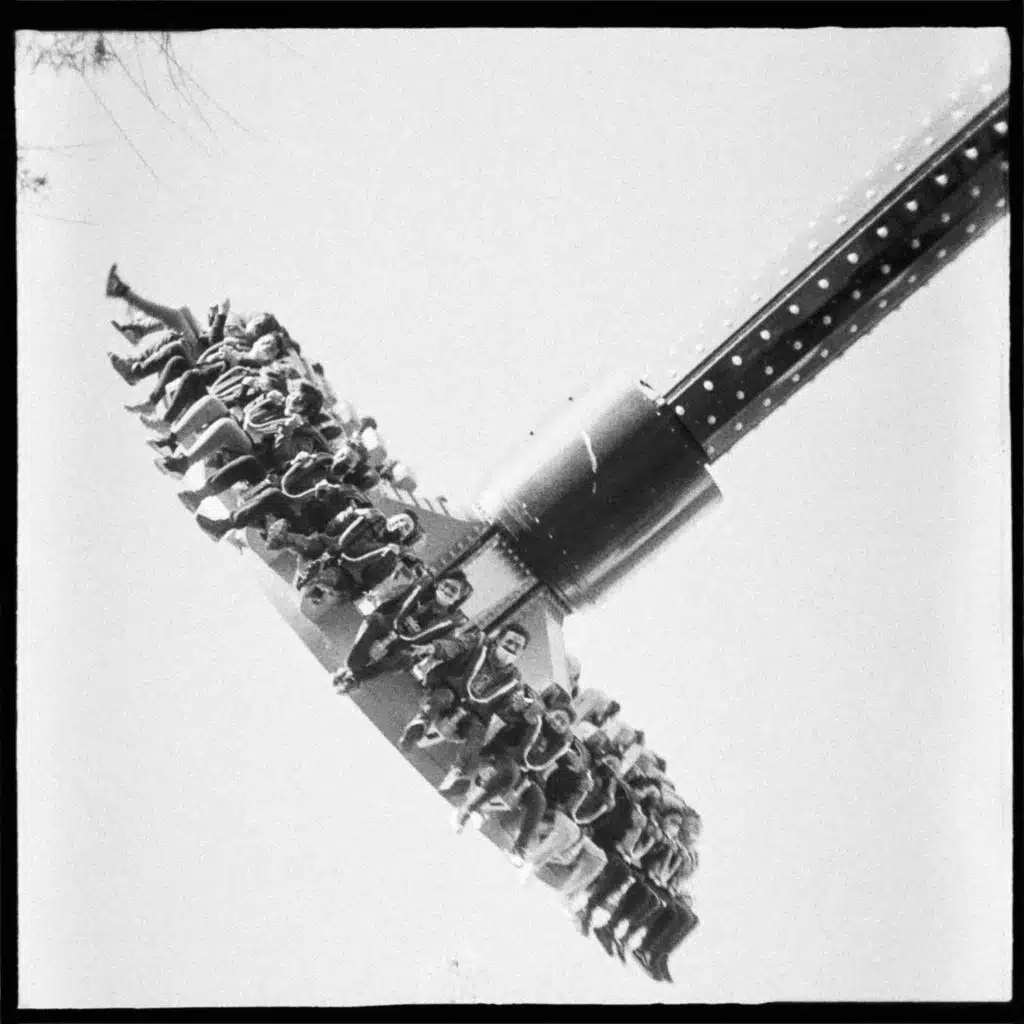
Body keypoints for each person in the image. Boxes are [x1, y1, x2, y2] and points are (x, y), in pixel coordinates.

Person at [397, 623, 529, 775]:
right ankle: (417, 728)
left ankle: (457, 771)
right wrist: (434, 648)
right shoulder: (479, 642)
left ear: (521, 652)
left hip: (472, 715)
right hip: (448, 692)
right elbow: (456, 645)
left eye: (518, 646)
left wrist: (516, 708)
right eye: (509, 641)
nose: (512, 647)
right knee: (443, 697)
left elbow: (505, 709)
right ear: (498, 639)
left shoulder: (514, 680)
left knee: (478, 733)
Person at [333, 571, 473, 695]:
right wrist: (377, 605)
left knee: (397, 659)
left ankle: (354, 678)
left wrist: (431, 647)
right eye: (446, 585)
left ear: (457, 598)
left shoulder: (450, 621)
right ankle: (351, 671)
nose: (447, 590)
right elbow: (393, 598)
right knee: (356, 659)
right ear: (438, 584)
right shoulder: (419, 591)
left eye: (453, 590)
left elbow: (450, 645)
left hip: (405, 648)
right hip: (386, 627)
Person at [154, 381, 324, 479]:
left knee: (227, 426)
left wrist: (287, 430)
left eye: (299, 400)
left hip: (254, 454)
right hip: (242, 431)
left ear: (306, 411)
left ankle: (183, 464)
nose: (292, 399)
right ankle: (171, 441)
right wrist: (263, 399)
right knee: (212, 402)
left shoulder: (305, 435)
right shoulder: (277, 405)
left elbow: (281, 459)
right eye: (294, 394)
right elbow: (246, 413)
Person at [292, 507, 422, 597]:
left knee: (334, 576)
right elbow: (332, 529)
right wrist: (349, 514)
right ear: (392, 517)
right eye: (400, 519)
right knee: (312, 544)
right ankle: (286, 539)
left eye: (406, 527)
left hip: (348, 573)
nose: (401, 525)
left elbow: (371, 579)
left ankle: (317, 578)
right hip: (332, 548)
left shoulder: (392, 553)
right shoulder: (373, 517)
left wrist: (388, 559)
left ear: (405, 536)